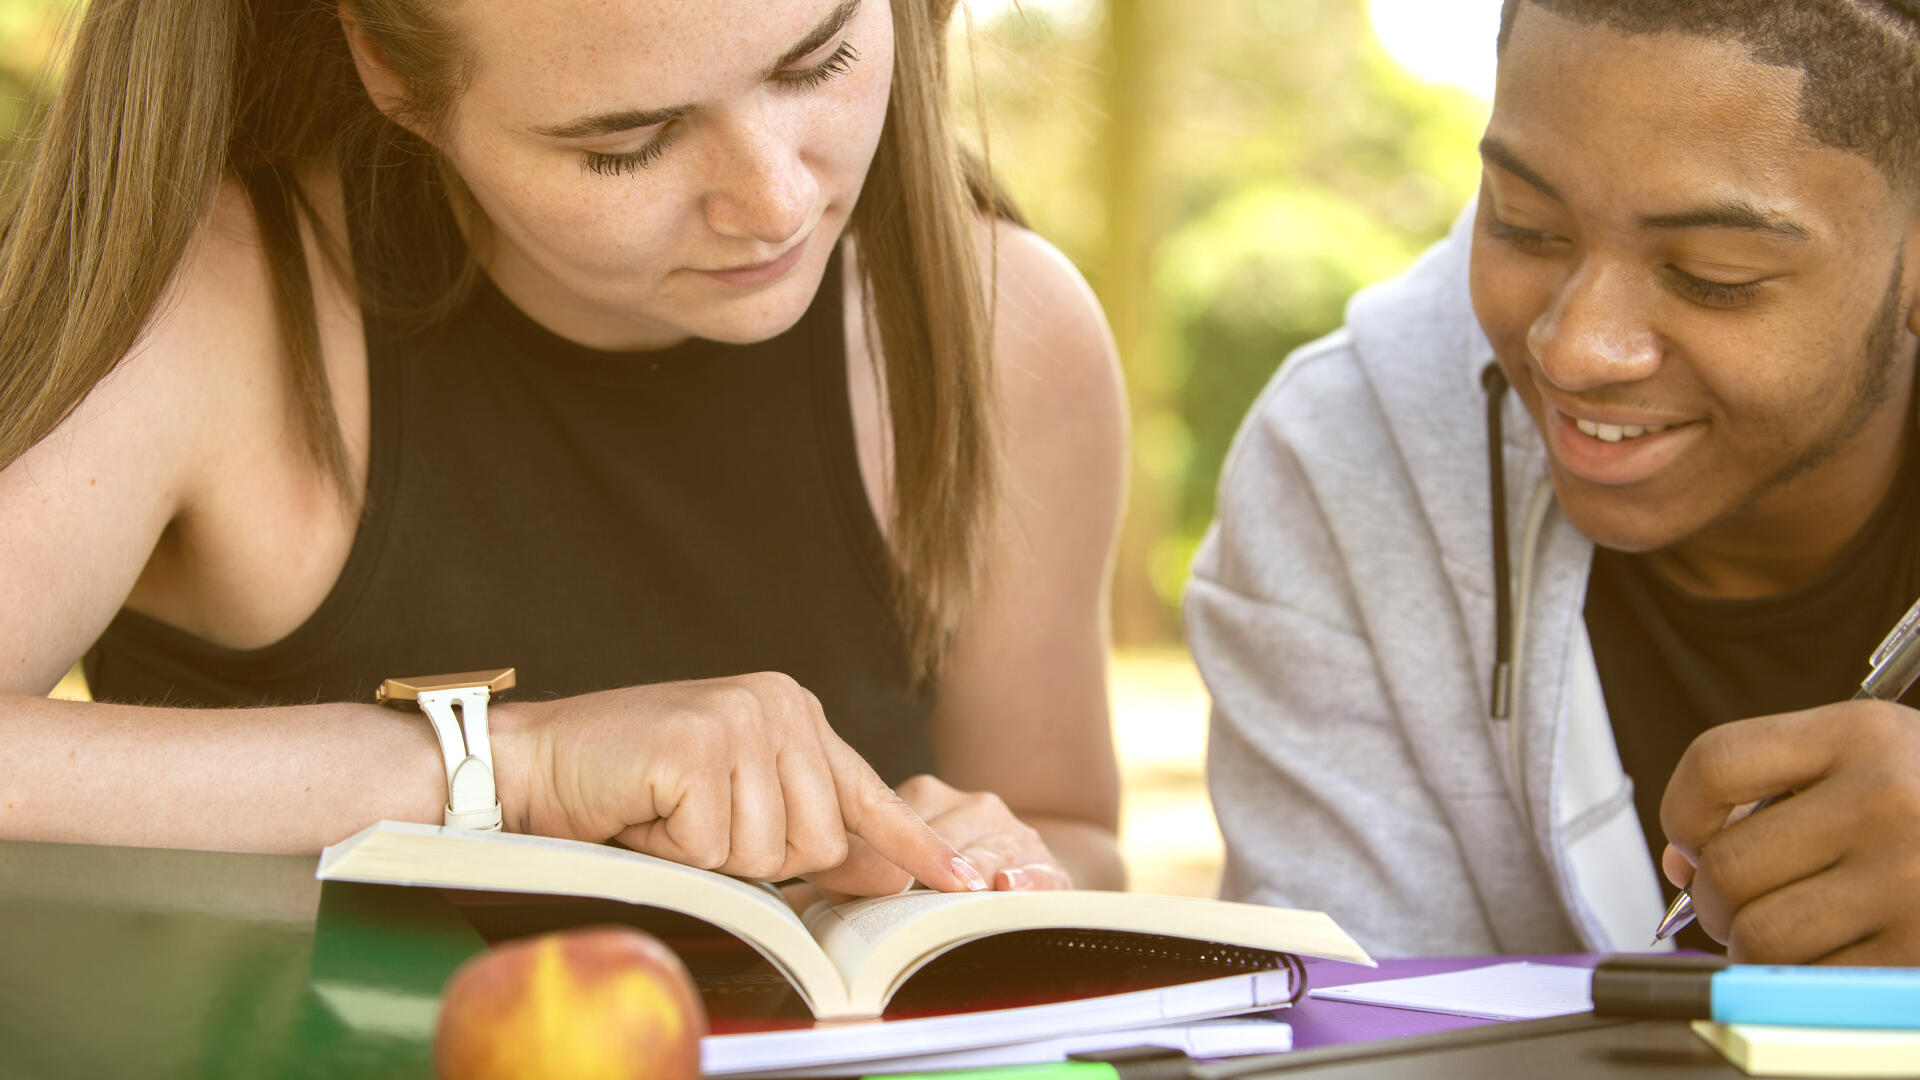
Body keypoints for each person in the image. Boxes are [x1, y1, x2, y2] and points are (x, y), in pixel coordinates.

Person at [0, 0, 1128, 898]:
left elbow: (1074, 835)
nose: (776, 200)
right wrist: (510, 770)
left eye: (817, 61)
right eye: (627, 143)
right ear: (392, 72)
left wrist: (990, 868)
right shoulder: (209, 298)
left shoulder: (1005, 329)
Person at [1190, 0, 1920, 964]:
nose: (1575, 351)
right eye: (1524, 225)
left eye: (1713, 273)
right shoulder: (1343, 459)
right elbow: (1349, 1035)